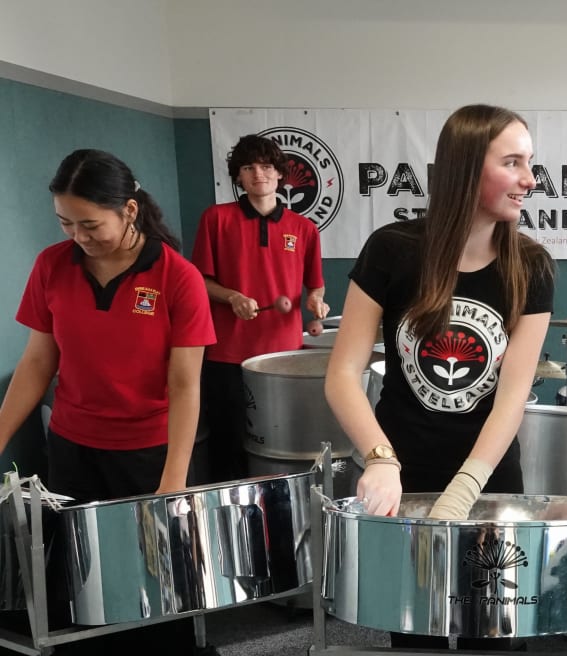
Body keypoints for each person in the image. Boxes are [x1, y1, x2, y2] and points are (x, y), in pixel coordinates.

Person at [324, 104, 554, 650]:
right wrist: (380, 460)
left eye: (531, 163)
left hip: (490, 478)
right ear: (466, 168)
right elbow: (342, 373)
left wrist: (467, 487)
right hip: (404, 475)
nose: (529, 180)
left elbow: (512, 395)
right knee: (416, 633)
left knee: (496, 637)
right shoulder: (392, 250)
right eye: (513, 163)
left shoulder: (533, 266)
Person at [0, 149, 215, 654]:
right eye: (65, 223)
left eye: (91, 224)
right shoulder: (51, 266)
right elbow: (37, 365)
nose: (78, 236)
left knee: (158, 591)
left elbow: (186, 385)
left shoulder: (176, 277)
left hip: (151, 452)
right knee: (83, 590)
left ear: (130, 211)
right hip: (75, 449)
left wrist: (173, 482)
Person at [191, 134, 328, 483]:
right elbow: (200, 282)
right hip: (226, 354)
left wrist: (315, 302)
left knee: (284, 444)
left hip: (283, 358)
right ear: (238, 176)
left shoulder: (304, 228)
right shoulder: (215, 219)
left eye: (267, 167)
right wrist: (233, 297)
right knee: (229, 445)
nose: (258, 175)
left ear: (280, 174)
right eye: (248, 168)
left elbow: (315, 284)